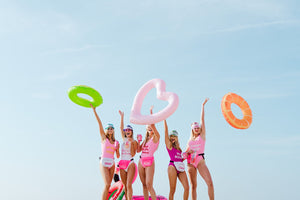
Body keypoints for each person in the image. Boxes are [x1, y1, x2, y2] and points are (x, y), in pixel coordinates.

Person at [185, 98, 214, 200]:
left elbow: (202, 120)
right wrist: (188, 152)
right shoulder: (189, 141)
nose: (197, 129)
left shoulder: (202, 136)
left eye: (198, 127)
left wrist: (202, 106)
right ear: (192, 130)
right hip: (190, 162)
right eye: (195, 128)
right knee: (193, 186)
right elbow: (184, 154)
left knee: (210, 183)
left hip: (200, 161)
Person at [91, 104, 120, 200]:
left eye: (112, 128)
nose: (110, 129)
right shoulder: (104, 138)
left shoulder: (116, 142)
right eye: (108, 128)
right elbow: (99, 123)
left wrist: (117, 148)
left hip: (112, 163)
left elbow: (118, 155)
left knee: (109, 185)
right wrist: (94, 111)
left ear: (113, 130)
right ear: (106, 130)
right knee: (107, 183)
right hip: (103, 162)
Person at [137, 106, 160, 200]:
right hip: (141, 161)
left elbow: (153, 125)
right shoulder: (146, 140)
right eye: (148, 127)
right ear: (146, 129)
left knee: (149, 184)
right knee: (144, 185)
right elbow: (138, 150)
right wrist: (139, 141)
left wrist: (151, 112)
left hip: (150, 161)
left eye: (151, 127)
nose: (150, 128)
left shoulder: (156, 137)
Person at [164, 119, 189, 200]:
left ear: (177, 137)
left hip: (180, 167)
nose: (172, 138)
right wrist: (164, 119)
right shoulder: (169, 145)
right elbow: (165, 131)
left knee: (187, 188)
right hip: (172, 166)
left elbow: (181, 159)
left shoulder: (179, 148)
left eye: (174, 136)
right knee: (172, 189)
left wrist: (186, 155)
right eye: (171, 136)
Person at [118, 110, 138, 200]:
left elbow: (133, 154)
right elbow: (120, 127)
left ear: (132, 132)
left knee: (129, 184)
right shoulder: (124, 139)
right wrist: (122, 116)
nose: (128, 131)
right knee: (125, 186)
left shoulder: (134, 141)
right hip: (122, 163)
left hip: (130, 162)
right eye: (126, 130)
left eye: (129, 130)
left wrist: (132, 144)